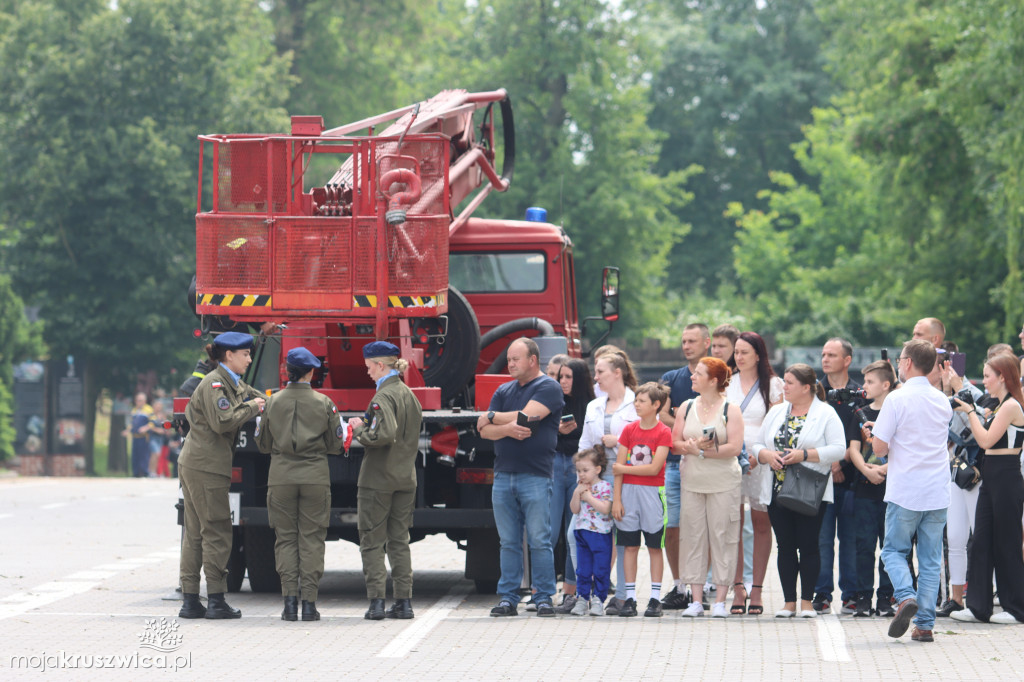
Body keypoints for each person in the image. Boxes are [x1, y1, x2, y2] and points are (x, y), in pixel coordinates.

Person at [178, 331, 266, 620]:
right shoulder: (215, 383)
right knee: (216, 530)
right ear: (229, 355)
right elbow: (223, 421)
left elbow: (256, 396)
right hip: (206, 467)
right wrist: (255, 407)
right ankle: (216, 599)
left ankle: (191, 600)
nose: (250, 359)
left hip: (198, 463)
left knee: (194, 533)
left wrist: (271, 398)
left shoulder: (232, 382)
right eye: (245, 354)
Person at [870, 339, 952, 643]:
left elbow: (880, 447)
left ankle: (905, 596)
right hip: (937, 489)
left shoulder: (896, 398)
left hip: (906, 488)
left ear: (906, 363)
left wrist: (876, 439)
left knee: (893, 551)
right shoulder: (941, 399)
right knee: (930, 560)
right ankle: (925, 624)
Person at [255, 347, 345, 622]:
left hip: (281, 477)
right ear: (311, 372)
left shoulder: (272, 402)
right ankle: (309, 604)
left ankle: (289, 603)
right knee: (312, 538)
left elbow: (263, 444)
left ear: (286, 371)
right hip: (315, 476)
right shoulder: (324, 403)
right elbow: (335, 444)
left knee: (285, 538)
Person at [479, 337, 564, 617]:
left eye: (516, 359)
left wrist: (492, 417)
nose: (510, 363)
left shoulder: (548, 387)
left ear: (533, 360)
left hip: (535, 476)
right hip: (503, 476)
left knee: (539, 539)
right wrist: (504, 427)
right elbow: (483, 431)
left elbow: (526, 419)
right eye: (509, 359)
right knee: (508, 541)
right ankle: (508, 597)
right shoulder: (504, 389)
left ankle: (543, 596)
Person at [752, 363, 846, 618]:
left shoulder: (825, 413)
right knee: (785, 546)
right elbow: (758, 443)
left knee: (809, 545)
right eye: (784, 381)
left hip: (809, 489)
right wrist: (766, 455)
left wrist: (804, 454)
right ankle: (788, 602)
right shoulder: (777, 411)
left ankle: (807, 602)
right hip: (777, 488)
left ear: (807, 387)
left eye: (790, 382)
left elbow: (839, 449)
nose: (785, 386)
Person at [352, 341, 424, 621]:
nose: (368, 372)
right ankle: (404, 603)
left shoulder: (382, 398)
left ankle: (377, 603)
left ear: (381, 365)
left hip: (377, 480)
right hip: (405, 478)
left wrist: (359, 431)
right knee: (399, 541)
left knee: (372, 541)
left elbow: (383, 435)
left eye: (369, 367)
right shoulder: (409, 395)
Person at [951, 353, 1024, 624]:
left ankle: (1016, 608)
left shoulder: (1011, 406)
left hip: (1006, 475)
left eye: (987, 376)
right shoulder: (999, 405)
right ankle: (979, 606)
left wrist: (969, 412)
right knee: (980, 540)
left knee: (1007, 542)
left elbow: (985, 440)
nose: (984, 381)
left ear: (1002, 376)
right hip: (992, 476)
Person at [674, 357, 744, 618]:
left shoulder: (731, 409)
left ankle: (720, 601)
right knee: (692, 536)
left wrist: (702, 452)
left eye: (699, 373)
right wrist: (690, 448)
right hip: (693, 481)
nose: (692, 376)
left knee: (723, 536)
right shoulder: (686, 405)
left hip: (723, 482)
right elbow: (675, 442)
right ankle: (695, 599)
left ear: (713, 381)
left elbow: (735, 448)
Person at [726, 332, 783, 616]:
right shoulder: (727, 383)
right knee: (733, 523)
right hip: (730, 460)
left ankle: (757, 588)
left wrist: (760, 455)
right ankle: (738, 586)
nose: (739, 357)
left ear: (759, 355)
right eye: (736, 351)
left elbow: (777, 425)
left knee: (761, 522)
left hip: (761, 459)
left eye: (745, 352)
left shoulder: (773, 385)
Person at [579, 350, 639, 614]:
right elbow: (583, 445)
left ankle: (624, 597)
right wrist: (582, 477)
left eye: (600, 372)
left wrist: (620, 442)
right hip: (597, 479)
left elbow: (649, 442)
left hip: (629, 477)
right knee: (584, 534)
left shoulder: (638, 403)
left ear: (618, 373)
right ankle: (588, 594)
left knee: (625, 537)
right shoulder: (594, 405)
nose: (596, 376)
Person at [658, 323, 710, 610]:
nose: (686, 345)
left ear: (707, 342)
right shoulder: (671, 378)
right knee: (673, 526)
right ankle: (679, 586)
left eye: (692, 340)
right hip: (674, 464)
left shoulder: (716, 375)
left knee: (704, 526)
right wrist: (688, 427)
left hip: (705, 464)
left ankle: (706, 583)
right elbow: (661, 413)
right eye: (683, 341)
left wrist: (679, 420)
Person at [611, 382, 672, 618]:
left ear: (656, 405)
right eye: (636, 400)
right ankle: (630, 598)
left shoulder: (663, 432)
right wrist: (617, 499)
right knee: (630, 546)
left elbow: (655, 468)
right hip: (628, 494)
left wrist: (624, 469)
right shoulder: (628, 430)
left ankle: (655, 598)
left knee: (655, 546)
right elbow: (617, 469)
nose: (636, 404)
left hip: (652, 494)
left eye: (642, 401)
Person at [813, 337, 861, 615]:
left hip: (853, 478)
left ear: (847, 360)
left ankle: (851, 594)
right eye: (823, 354)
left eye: (832, 354)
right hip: (820, 476)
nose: (826, 359)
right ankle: (822, 593)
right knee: (822, 539)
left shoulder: (860, 393)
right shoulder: (814, 394)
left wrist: (842, 463)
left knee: (850, 538)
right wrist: (831, 463)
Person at [848, 360, 896, 617]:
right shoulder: (860, 413)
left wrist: (884, 470)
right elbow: (854, 449)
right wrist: (867, 469)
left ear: (885, 384)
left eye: (869, 382)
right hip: (865, 489)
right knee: (864, 545)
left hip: (892, 489)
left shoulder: (896, 411)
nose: (864, 386)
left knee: (889, 547)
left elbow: (903, 447)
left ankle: (886, 598)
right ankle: (863, 597)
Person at [548, 357, 595, 614]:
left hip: (580, 469)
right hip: (555, 463)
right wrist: (557, 430)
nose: (563, 382)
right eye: (560, 377)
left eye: (568, 377)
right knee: (551, 531)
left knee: (573, 532)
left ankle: (570, 591)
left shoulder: (591, 405)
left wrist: (575, 432)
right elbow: (540, 431)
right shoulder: (553, 400)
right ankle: (541, 591)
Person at [568, 447, 613, 616]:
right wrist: (576, 494)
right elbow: (574, 509)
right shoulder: (579, 487)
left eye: (585, 470)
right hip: (582, 532)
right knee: (583, 569)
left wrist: (589, 498)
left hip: (600, 534)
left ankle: (598, 599)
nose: (581, 474)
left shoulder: (604, 487)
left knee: (601, 568)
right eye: (579, 471)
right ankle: (582, 598)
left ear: (598, 469)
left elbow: (605, 509)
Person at [124, 392, 153, 478]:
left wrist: (145, 428)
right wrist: (127, 430)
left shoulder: (148, 409)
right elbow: (132, 423)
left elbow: (153, 422)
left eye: (140, 400)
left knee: (144, 455)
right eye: (137, 400)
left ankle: (144, 472)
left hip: (144, 437)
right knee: (135, 455)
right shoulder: (134, 410)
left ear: (144, 401)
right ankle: (135, 473)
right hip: (135, 436)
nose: (138, 402)